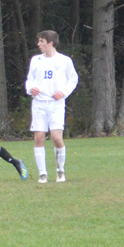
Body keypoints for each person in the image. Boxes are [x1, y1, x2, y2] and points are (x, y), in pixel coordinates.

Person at [24, 30, 78, 183]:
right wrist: (31, 89)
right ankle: (43, 173)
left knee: (56, 138)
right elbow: (30, 80)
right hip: (39, 104)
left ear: (50, 43)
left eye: (41, 41)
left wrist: (63, 92)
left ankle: (60, 170)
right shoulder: (36, 60)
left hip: (56, 104)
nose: (38, 44)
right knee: (39, 137)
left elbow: (73, 79)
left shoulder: (64, 60)